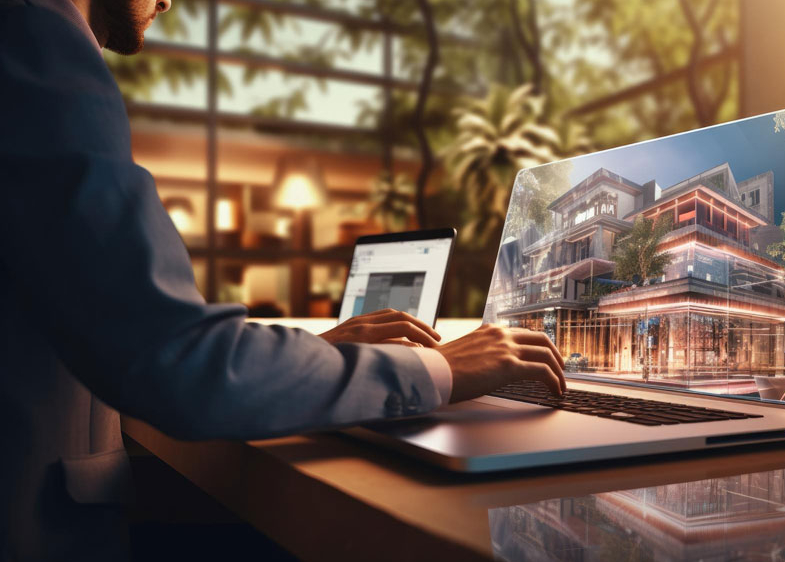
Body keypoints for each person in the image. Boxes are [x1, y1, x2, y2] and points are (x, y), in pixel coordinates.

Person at [0, 0, 565, 559]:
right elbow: (176, 361)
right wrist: (441, 367)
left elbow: (117, 334)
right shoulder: (37, 41)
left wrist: (302, 356)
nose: (167, 1)